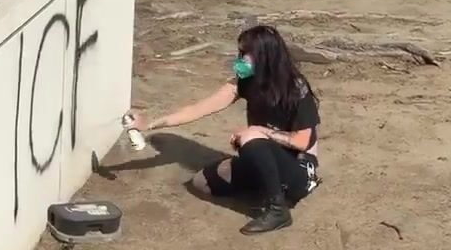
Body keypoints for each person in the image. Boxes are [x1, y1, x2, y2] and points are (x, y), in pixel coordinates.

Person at [126, 24, 321, 236]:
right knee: (202, 183)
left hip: (298, 167)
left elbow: (302, 142)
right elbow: (198, 109)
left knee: (250, 136)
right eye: (240, 52)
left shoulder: (295, 88)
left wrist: (260, 131)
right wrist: (150, 124)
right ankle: (267, 183)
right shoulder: (245, 82)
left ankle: (278, 210)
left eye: (245, 54)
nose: (240, 59)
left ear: (264, 56)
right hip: (266, 156)